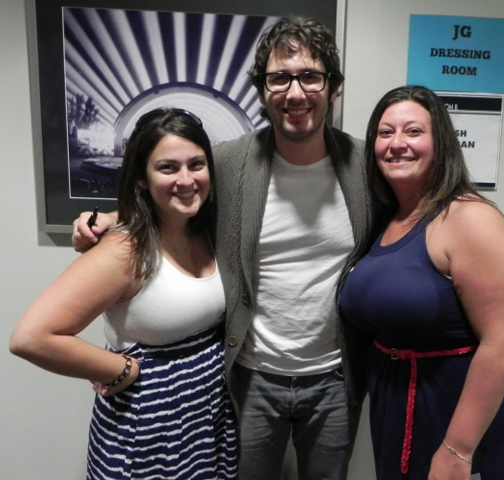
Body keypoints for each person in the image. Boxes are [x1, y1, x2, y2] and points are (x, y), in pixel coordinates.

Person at [71, 18, 372, 480]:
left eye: (310, 76)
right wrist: (112, 222)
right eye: (279, 78)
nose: (295, 92)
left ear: (333, 87)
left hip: (335, 378)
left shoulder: (364, 167)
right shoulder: (228, 162)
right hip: (247, 375)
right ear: (261, 89)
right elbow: (174, 199)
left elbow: (411, 225)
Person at [11, 108, 238, 480]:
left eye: (196, 164)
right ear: (142, 179)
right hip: (148, 421)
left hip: (205, 414)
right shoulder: (124, 251)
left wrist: (112, 215)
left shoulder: (206, 229)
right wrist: (122, 369)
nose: (187, 179)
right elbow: (30, 337)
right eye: (167, 168)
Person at [339, 85, 504, 480]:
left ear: (440, 143)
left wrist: (458, 449)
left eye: (413, 131)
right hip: (395, 408)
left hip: (455, 416)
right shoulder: (386, 220)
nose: (397, 143)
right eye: (385, 133)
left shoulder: (470, 218)